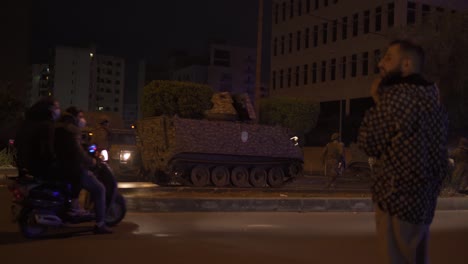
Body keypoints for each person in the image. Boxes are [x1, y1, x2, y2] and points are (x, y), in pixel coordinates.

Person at [357, 39, 448, 264]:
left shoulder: (396, 98)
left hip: (395, 200)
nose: (381, 64)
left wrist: (378, 100)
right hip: (423, 204)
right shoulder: (433, 101)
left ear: (406, 65)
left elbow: (368, 142)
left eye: (388, 58)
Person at [54, 107, 112, 234]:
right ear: (74, 117)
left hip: (61, 166)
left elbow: (81, 146)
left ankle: (72, 209)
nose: (82, 119)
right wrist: (91, 161)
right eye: (80, 116)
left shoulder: (59, 127)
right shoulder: (71, 130)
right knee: (100, 189)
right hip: (73, 167)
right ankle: (100, 224)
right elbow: (77, 151)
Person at [14, 97, 61, 180]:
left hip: (22, 166)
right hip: (37, 169)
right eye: (56, 108)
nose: (58, 110)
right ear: (49, 109)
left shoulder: (27, 122)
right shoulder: (47, 124)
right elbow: (47, 150)